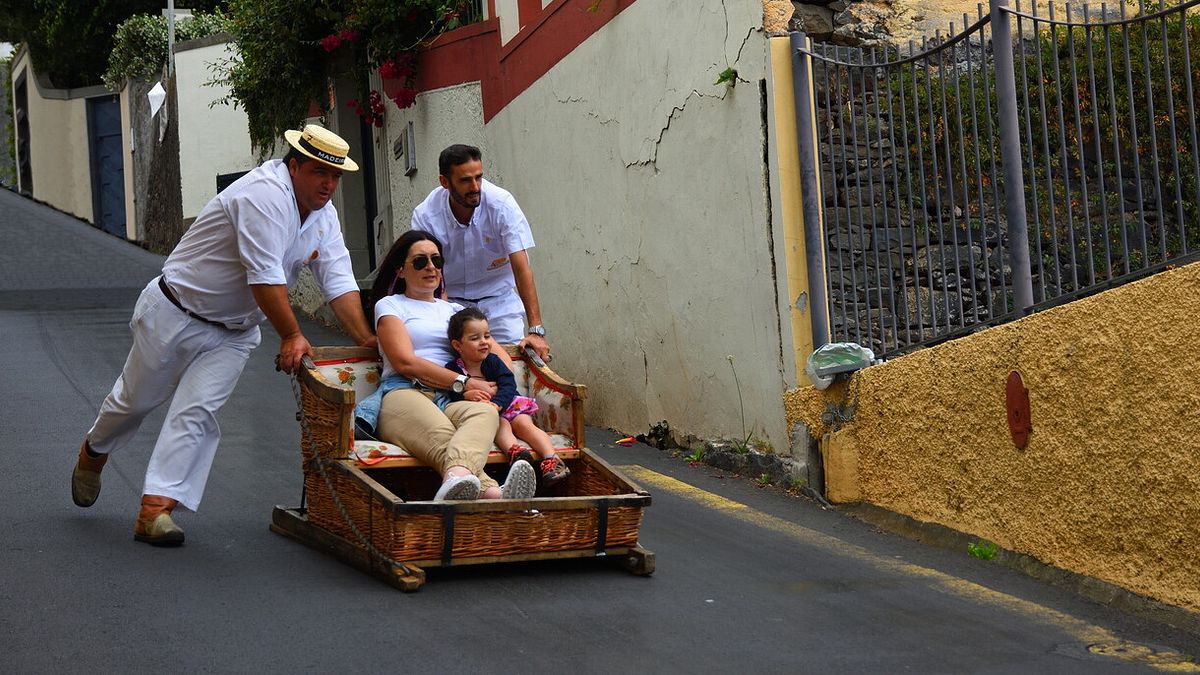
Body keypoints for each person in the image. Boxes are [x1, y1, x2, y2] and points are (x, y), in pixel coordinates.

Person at [71, 124, 377, 546]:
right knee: (134, 402)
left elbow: (339, 282)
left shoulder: (324, 214)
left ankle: (155, 509)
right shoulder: (263, 195)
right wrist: (291, 335)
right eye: (319, 172)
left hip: (234, 332)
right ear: (295, 167)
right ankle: (94, 450)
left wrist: (366, 339)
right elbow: (264, 279)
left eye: (335, 175)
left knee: (197, 412)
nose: (328, 183)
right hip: (175, 312)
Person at [353, 230, 538, 501]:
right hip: (405, 392)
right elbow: (405, 362)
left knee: (486, 413)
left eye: (436, 261)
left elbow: (500, 359)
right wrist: (464, 381)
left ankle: (463, 486)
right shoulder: (390, 305)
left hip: (450, 397)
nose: (430, 267)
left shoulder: (454, 313)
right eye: (420, 261)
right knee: (445, 435)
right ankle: (495, 495)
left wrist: (488, 380)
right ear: (401, 271)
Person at [410, 144, 551, 362]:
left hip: (499, 300)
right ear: (445, 182)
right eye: (465, 180)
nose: (475, 186)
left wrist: (536, 330)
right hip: (450, 302)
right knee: (452, 367)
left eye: (479, 177)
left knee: (510, 368)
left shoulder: (502, 205)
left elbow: (521, 266)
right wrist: (446, 316)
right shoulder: (426, 215)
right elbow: (432, 273)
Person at [442, 307, 570, 486]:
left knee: (524, 425)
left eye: (487, 336)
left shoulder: (493, 361)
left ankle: (552, 459)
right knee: (500, 425)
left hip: (510, 405)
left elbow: (508, 384)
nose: (484, 342)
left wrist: (497, 404)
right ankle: (516, 454)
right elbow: (451, 394)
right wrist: (466, 395)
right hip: (489, 416)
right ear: (457, 345)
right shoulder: (453, 369)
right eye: (475, 338)